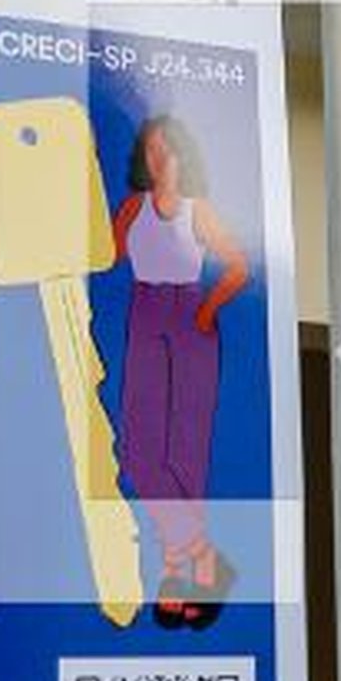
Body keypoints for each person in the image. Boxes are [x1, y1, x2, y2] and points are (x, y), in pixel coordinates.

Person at [110, 111, 250, 629]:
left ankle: (176, 574)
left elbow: (238, 265)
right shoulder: (133, 209)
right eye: (150, 149)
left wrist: (208, 311)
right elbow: (105, 255)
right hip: (145, 316)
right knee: (140, 452)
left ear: (183, 155)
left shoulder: (199, 212)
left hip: (190, 319)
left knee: (186, 453)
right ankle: (207, 560)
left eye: (166, 149)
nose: (158, 158)